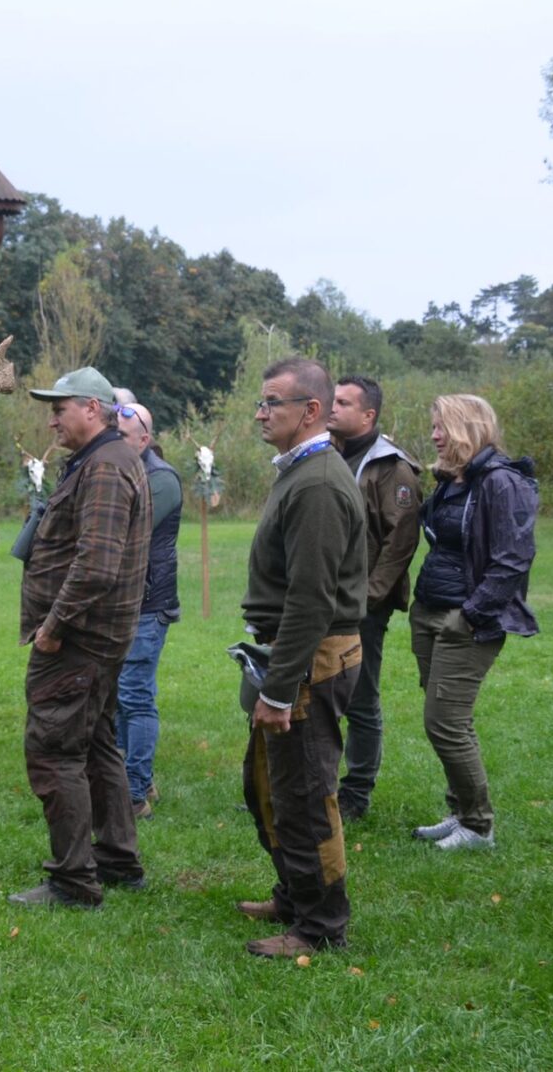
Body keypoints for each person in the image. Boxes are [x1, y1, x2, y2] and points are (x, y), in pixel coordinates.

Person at [237, 357, 365, 958]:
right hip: (296, 657)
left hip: (312, 660)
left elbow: (312, 600)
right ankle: (293, 896)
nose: (261, 414)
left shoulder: (316, 483)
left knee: (307, 795)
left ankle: (319, 926)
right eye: (261, 404)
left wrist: (280, 688)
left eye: (271, 403)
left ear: (309, 411)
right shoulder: (301, 470)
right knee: (270, 787)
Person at [10, 367, 150, 909]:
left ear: (92, 407)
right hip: (98, 638)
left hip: (79, 641)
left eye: (59, 408)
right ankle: (117, 859)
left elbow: (96, 565)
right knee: (96, 745)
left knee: (53, 751)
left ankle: (73, 881)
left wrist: (52, 628)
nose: (52, 419)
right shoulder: (104, 460)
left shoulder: (106, 468)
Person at [409, 394, 537, 851]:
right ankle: (460, 811)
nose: (434, 434)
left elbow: (512, 559)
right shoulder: (454, 480)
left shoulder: (502, 483)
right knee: (450, 721)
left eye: (441, 426)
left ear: (467, 427)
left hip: (466, 618)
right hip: (429, 610)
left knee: (444, 722)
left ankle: (479, 827)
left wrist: (470, 615)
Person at [326, 376, 422, 821]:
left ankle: (355, 795)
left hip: (361, 606)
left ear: (369, 415)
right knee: (316, 693)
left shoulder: (391, 468)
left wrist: (367, 598)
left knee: (359, 698)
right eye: (332, 399)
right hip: (320, 598)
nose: (332, 407)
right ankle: (316, 786)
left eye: (343, 402)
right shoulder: (325, 453)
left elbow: (400, 543)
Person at [114, 401, 181, 820]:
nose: (114, 444)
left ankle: (134, 793)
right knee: (122, 696)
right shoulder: (125, 472)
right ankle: (133, 780)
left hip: (148, 604)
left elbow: (120, 528)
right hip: (123, 602)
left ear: (145, 439)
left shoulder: (161, 478)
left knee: (134, 697)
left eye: (121, 437)